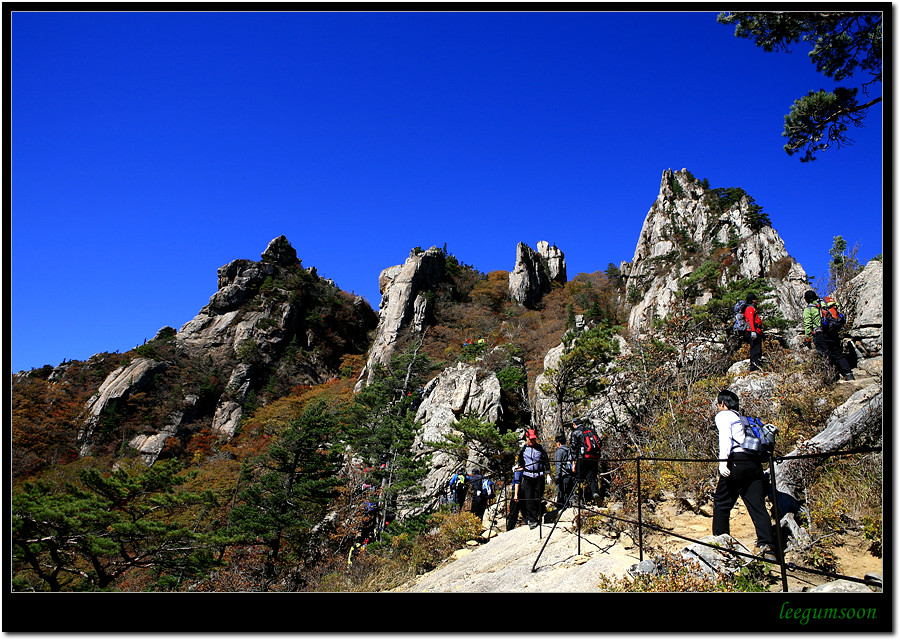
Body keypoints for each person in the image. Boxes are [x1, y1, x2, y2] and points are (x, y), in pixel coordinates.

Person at [712, 389, 777, 562]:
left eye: (718, 404)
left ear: (723, 404)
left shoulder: (724, 416)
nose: (718, 407)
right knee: (757, 506)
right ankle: (767, 545)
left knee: (722, 503)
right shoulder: (743, 419)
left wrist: (722, 463)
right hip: (753, 463)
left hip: (736, 461)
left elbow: (725, 438)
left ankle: (721, 543)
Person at [803, 290, 855, 381]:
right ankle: (848, 374)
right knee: (838, 354)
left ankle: (833, 377)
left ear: (806, 299)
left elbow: (808, 325)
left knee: (826, 356)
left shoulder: (809, 309)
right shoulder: (826, 304)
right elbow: (837, 308)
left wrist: (807, 337)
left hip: (820, 335)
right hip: (832, 333)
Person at [517, 429, 551, 529]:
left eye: (534, 439)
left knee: (537, 497)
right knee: (528, 498)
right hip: (527, 476)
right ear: (527, 438)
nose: (532, 441)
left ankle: (536, 515)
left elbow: (546, 461)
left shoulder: (540, 448)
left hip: (539, 476)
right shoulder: (523, 449)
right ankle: (532, 519)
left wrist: (548, 473)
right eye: (530, 439)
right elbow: (520, 461)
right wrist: (518, 466)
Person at [569, 417, 601, 506]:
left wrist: (573, 462)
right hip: (594, 458)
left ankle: (578, 499)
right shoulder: (591, 430)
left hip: (582, 458)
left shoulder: (576, 433)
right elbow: (599, 442)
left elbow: (573, 448)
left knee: (579, 478)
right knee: (592, 477)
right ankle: (595, 493)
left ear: (574, 424)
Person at [743, 293, 764, 372]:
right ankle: (754, 367)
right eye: (755, 299)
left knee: (757, 348)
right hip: (753, 331)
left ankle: (757, 364)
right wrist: (753, 331)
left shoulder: (751, 308)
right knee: (755, 349)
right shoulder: (750, 309)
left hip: (756, 331)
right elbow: (751, 320)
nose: (756, 301)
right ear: (752, 300)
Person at [554, 434, 575, 510]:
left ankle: (561, 505)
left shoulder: (559, 452)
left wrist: (557, 476)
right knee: (569, 491)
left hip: (562, 475)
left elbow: (558, 464)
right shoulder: (569, 450)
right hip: (569, 473)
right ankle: (571, 504)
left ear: (559, 443)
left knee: (561, 491)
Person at [506, 464, 524, 530]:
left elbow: (517, 483)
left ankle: (510, 528)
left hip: (517, 493)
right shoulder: (526, 473)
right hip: (525, 493)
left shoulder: (517, 473)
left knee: (513, 512)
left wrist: (516, 495)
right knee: (524, 511)